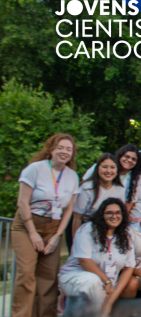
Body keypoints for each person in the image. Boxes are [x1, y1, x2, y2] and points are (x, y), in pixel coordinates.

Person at [12, 133, 80, 317]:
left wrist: (57, 236)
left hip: (53, 229)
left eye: (68, 149)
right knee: (26, 275)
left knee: (49, 278)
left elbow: (68, 210)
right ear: (51, 149)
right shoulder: (34, 169)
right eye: (60, 148)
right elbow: (22, 202)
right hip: (27, 226)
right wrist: (33, 233)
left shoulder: (72, 176)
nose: (64, 152)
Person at [58, 199, 138, 316]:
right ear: (101, 215)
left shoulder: (126, 236)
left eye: (118, 213)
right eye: (109, 213)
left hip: (108, 285)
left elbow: (128, 268)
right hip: (77, 277)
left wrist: (112, 297)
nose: (114, 216)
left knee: (126, 287)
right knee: (93, 281)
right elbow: (84, 260)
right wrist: (106, 282)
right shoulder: (87, 229)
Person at [73, 154, 126, 236]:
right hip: (88, 231)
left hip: (110, 233)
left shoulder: (120, 189)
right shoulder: (87, 188)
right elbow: (77, 218)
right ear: (97, 168)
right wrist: (75, 240)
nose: (108, 171)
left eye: (112, 167)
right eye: (104, 167)